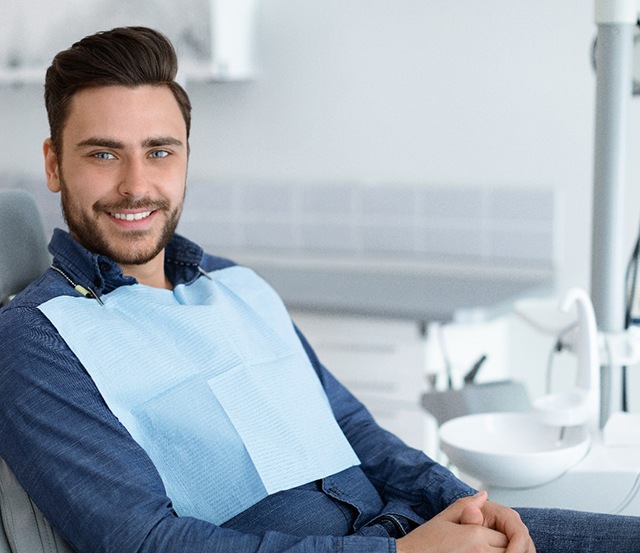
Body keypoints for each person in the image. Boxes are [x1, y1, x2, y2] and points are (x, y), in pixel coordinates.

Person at [0, 26, 637, 553]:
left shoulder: (234, 285)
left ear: (187, 157)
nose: (137, 184)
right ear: (55, 164)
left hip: (419, 528)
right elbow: (143, 543)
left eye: (160, 151)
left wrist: (467, 507)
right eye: (104, 155)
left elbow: (352, 428)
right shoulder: (38, 336)